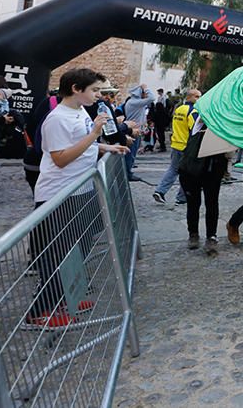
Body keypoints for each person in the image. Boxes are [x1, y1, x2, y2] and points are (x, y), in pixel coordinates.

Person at [27, 68, 128, 327]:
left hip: (79, 189)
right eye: (94, 90)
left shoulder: (79, 111)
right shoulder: (57, 118)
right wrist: (95, 135)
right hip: (58, 193)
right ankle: (39, 310)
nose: (98, 95)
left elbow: (80, 142)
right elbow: (60, 158)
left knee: (77, 248)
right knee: (56, 254)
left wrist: (105, 146)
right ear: (75, 88)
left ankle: (64, 299)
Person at [177, 116, 228, 254]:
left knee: (211, 203)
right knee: (194, 204)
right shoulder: (199, 124)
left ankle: (211, 236)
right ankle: (194, 234)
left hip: (212, 170)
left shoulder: (223, 127)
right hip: (191, 171)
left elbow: (229, 154)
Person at [153, 89, 200, 204]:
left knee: (173, 170)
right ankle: (182, 198)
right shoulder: (193, 111)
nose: (199, 99)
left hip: (176, 144)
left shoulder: (179, 109)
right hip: (186, 147)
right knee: (188, 173)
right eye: (197, 97)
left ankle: (160, 191)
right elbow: (194, 129)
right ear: (190, 97)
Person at [121, 84, 155, 181]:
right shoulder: (134, 102)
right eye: (143, 93)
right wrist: (145, 88)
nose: (145, 94)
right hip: (133, 131)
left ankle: (128, 172)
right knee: (130, 154)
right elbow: (152, 98)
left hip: (136, 130)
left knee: (133, 153)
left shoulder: (134, 102)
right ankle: (127, 174)